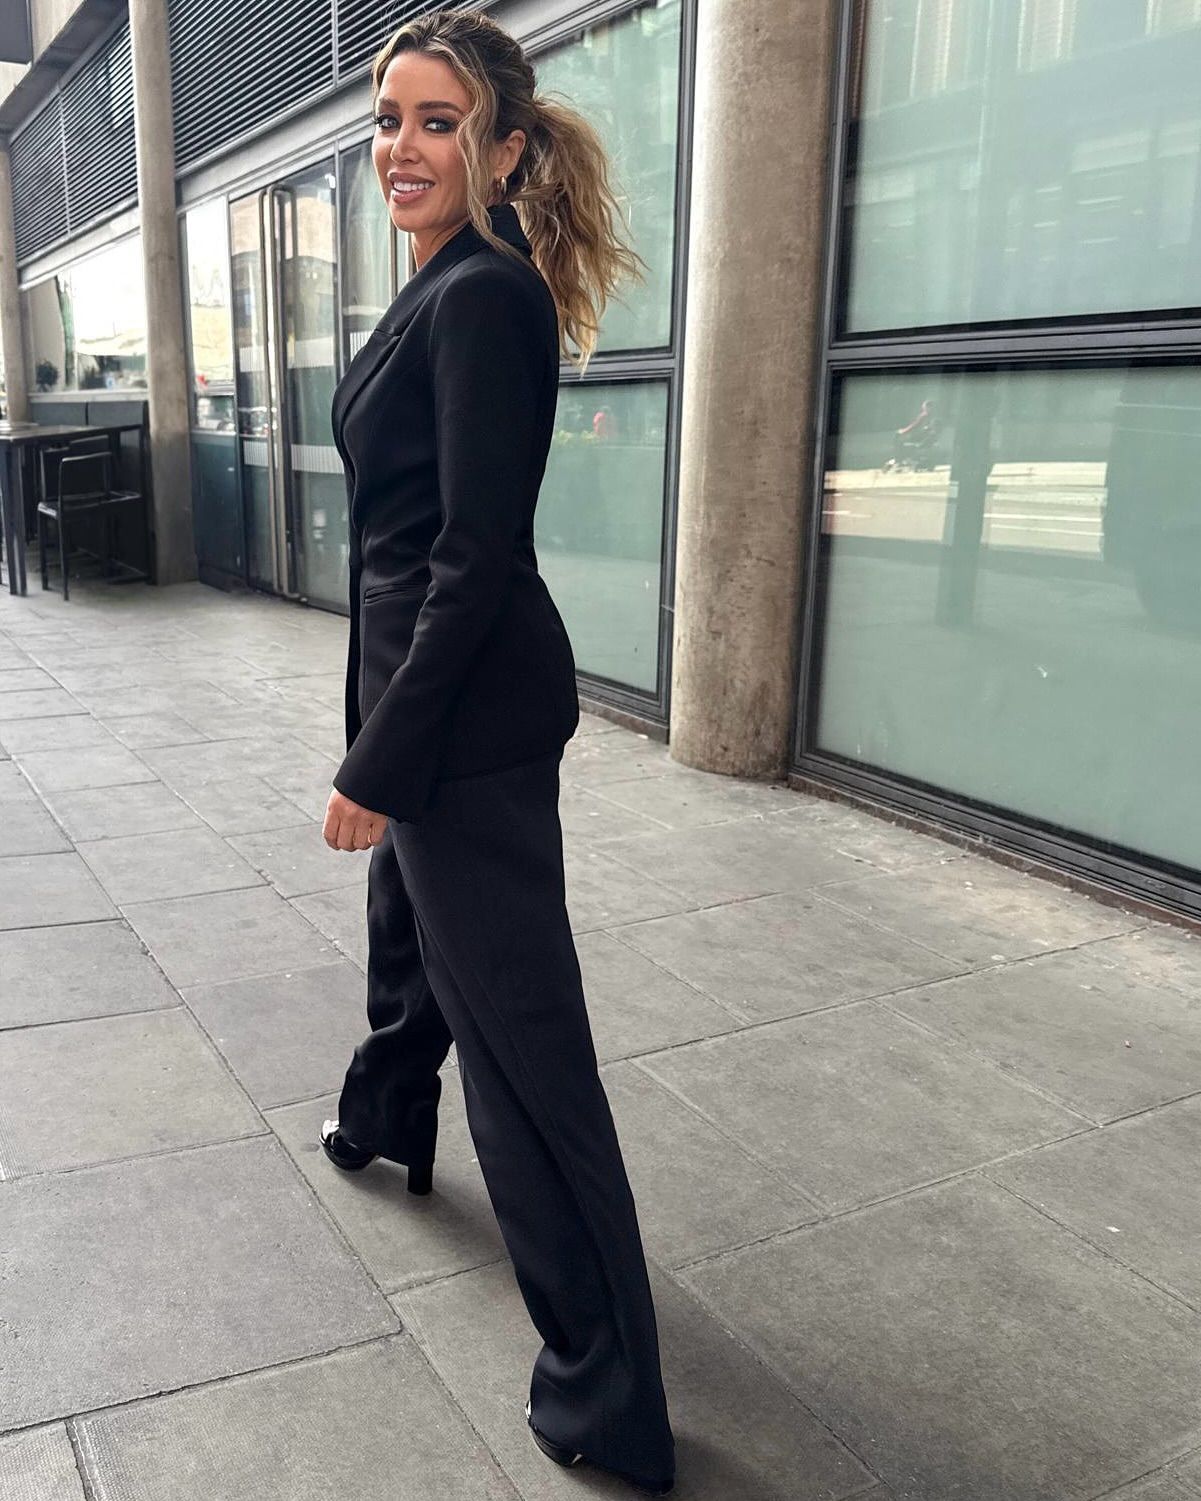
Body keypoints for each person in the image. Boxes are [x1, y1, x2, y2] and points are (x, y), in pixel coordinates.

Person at [318, 10, 675, 1497]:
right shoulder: (441, 281)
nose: (401, 147)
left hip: (461, 724)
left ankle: (610, 1391)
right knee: (407, 948)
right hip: (417, 692)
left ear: (506, 148)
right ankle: (386, 1110)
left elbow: (472, 558)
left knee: (528, 1055)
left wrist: (380, 764)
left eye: (439, 121)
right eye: (388, 119)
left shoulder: (483, 298)